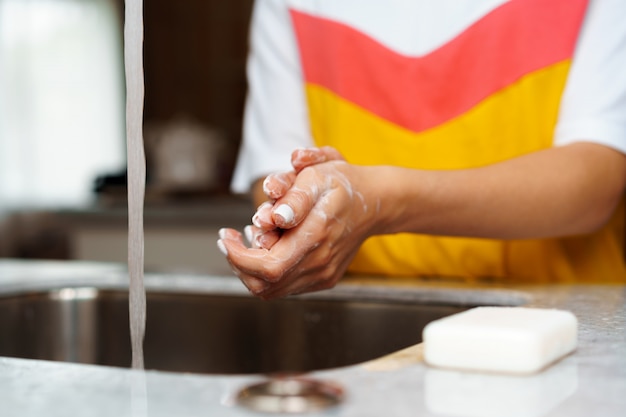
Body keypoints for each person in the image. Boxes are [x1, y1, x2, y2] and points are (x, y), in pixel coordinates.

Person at [217, 0, 626, 300]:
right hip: (364, 326)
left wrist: (383, 199)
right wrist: (292, 209)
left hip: (565, 321)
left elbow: (596, 180)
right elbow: (275, 180)